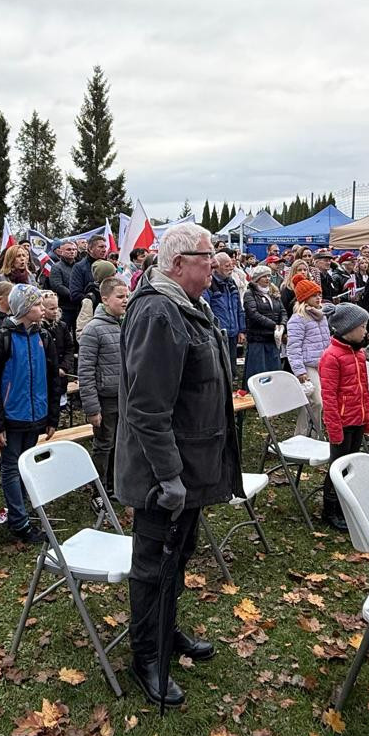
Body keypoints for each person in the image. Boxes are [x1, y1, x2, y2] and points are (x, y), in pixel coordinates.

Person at [115, 223, 241, 708]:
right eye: (207, 256)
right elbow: (148, 408)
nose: (215, 263)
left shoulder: (186, 306)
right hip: (162, 474)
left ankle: (165, 630)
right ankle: (147, 654)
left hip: (189, 464)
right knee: (153, 564)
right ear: (177, 262)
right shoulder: (159, 312)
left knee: (177, 555)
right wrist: (168, 476)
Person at [0, 282, 61, 543]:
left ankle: (24, 508)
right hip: (11, 417)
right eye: (37, 304)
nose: (42, 309)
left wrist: (52, 417)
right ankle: (19, 520)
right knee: (11, 468)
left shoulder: (44, 337)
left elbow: (52, 378)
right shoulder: (1, 339)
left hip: (36, 416)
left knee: (27, 466)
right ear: (24, 309)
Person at [316, 303, 369, 532]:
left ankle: (346, 503)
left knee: (351, 463)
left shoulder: (358, 353)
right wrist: (334, 427)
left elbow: (363, 389)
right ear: (348, 329)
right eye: (362, 327)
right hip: (342, 421)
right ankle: (330, 508)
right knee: (337, 466)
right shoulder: (332, 357)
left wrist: (367, 416)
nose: (366, 331)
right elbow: (328, 396)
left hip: (357, 417)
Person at [78, 275, 129, 486]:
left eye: (127, 296)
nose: (125, 300)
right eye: (120, 296)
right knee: (104, 444)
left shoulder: (125, 325)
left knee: (121, 443)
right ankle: (98, 487)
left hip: (124, 396)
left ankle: (115, 483)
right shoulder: (93, 329)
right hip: (105, 399)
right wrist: (92, 408)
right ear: (105, 299)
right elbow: (86, 371)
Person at [284, 280, 331, 433]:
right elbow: (293, 347)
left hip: (323, 364)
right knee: (316, 401)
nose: (318, 298)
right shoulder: (298, 319)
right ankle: (305, 432)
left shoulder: (322, 316)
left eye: (320, 295)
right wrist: (299, 371)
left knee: (317, 401)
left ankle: (313, 433)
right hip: (308, 365)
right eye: (314, 295)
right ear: (305, 298)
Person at [241, 263, 284, 384]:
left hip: (272, 339)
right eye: (264, 276)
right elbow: (253, 314)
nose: (268, 279)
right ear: (257, 279)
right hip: (258, 340)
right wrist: (273, 325)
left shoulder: (273, 293)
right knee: (259, 373)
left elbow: (282, 311)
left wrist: (282, 325)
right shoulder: (249, 294)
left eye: (269, 276)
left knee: (273, 373)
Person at [204, 254, 244, 360]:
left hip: (233, 334)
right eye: (227, 266)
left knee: (232, 369)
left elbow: (239, 308)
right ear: (217, 266)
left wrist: (241, 330)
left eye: (231, 265)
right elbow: (206, 309)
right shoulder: (209, 284)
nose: (231, 268)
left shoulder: (231, 282)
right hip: (218, 334)